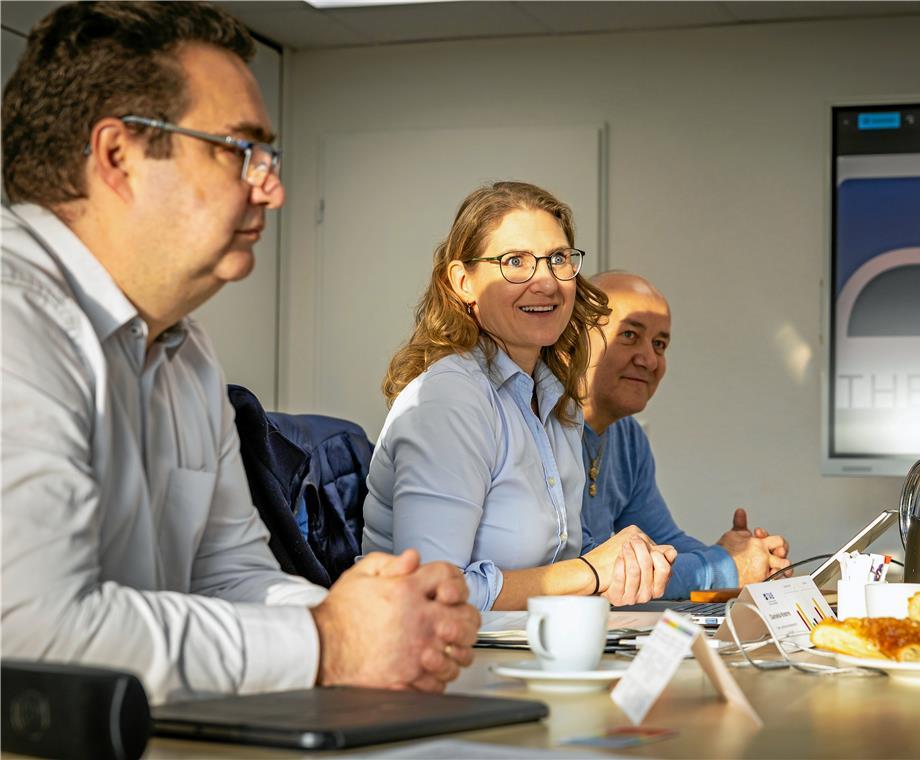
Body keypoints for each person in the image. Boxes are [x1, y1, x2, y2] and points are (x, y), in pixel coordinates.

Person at [1, 1, 478, 705]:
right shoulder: (13, 320)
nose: (273, 189)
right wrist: (328, 643)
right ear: (118, 156)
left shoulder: (185, 350)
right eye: (240, 150)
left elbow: (228, 577)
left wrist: (366, 615)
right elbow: (30, 636)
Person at [362, 182, 677, 611]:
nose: (546, 282)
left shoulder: (556, 403)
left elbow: (556, 573)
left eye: (559, 259)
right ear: (462, 282)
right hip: (445, 663)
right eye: (515, 262)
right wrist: (591, 572)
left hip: (526, 653)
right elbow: (431, 594)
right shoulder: (449, 400)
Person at [580, 272, 791, 599]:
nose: (649, 360)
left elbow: (664, 540)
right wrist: (725, 568)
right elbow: (598, 570)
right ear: (574, 340)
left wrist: (748, 559)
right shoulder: (545, 427)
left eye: (659, 344)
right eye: (629, 335)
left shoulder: (628, 437)